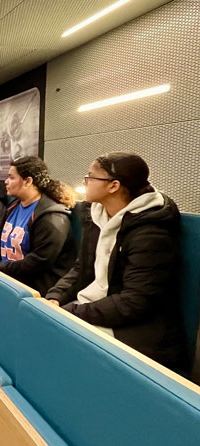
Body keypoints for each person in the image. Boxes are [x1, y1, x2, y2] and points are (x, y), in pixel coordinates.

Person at [45, 152, 185, 368]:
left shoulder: (150, 231)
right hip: (95, 309)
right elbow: (82, 267)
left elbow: (135, 301)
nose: (85, 182)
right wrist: (56, 296)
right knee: (44, 325)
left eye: (90, 177)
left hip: (139, 329)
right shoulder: (96, 214)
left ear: (113, 186)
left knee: (55, 343)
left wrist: (71, 312)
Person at [0, 156, 76, 296]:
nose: (6, 181)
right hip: (7, 280)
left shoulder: (52, 217)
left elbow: (39, 261)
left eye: (11, 177)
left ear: (28, 181)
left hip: (31, 290)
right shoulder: (13, 207)